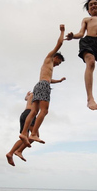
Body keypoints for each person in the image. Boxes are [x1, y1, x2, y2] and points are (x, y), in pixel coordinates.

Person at [17, 24, 66, 153]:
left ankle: (23, 133)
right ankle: (33, 133)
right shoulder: (49, 57)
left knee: (34, 112)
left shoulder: (48, 68)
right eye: (58, 62)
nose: (57, 64)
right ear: (56, 57)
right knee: (44, 111)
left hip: (39, 85)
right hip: (43, 86)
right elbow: (59, 43)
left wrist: (59, 81)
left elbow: (48, 79)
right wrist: (62, 31)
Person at [6, 78, 65, 166]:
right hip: (30, 114)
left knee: (24, 137)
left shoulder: (31, 95)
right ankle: (19, 151)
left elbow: (26, 98)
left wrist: (27, 95)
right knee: (35, 136)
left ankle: (10, 153)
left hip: (23, 114)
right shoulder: (37, 94)